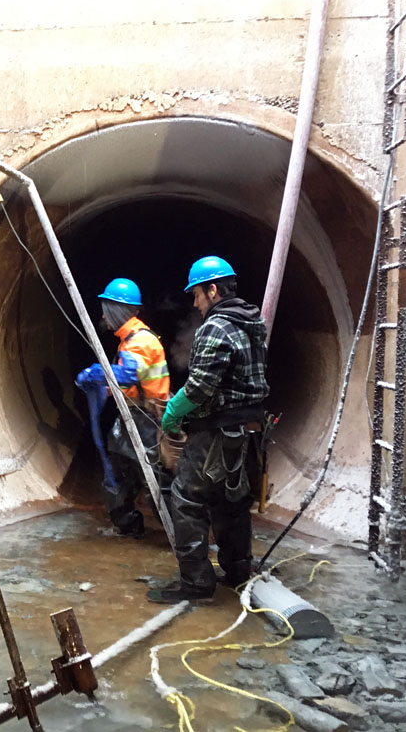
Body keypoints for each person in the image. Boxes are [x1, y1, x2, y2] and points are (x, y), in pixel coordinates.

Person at [147, 256, 269, 603]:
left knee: (188, 499)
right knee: (232, 502)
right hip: (250, 433)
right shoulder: (253, 321)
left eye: (197, 295)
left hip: (217, 434)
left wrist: (173, 412)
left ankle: (197, 585)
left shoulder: (215, 327)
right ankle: (237, 572)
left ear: (213, 290)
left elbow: (201, 388)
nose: (196, 303)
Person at [76, 277, 170, 538]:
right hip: (131, 418)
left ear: (117, 310)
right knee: (117, 477)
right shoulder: (128, 339)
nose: (103, 315)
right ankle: (127, 527)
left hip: (148, 421)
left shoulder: (140, 341)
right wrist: (103, 388)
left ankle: (184, 538)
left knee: (156, 484)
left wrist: (96, 373)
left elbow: (129, 374)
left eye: (106, 309)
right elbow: (129, 382)